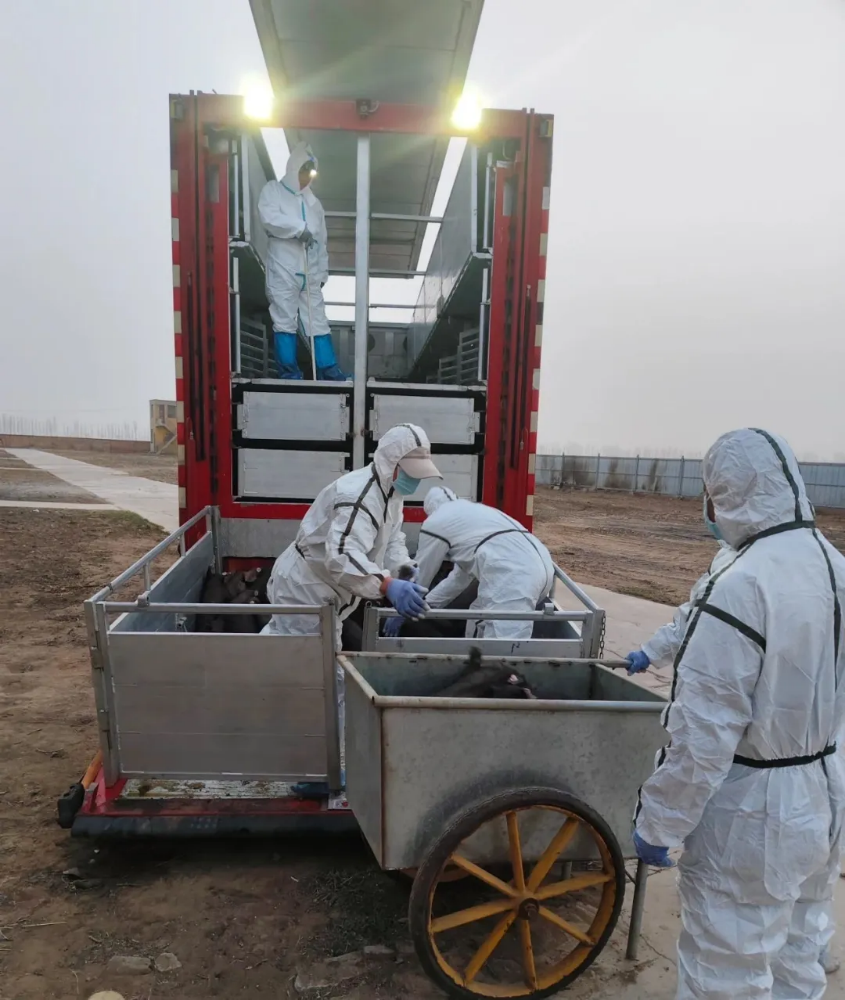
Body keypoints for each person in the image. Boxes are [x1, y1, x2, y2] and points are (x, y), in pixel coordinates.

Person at [633, 428, 845, 1000]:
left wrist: (659, 822)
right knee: (799, 947)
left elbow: (704, 735)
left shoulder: (742, 583)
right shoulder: (834, 565)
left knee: (727, 965)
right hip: (824, 793)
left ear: (728, 492)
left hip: (755, 813)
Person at [262, 424, 441, 649]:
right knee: (311, 663)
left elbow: (391, 539)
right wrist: (386, 585)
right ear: (391, 463)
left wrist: (403, 569)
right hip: (306, 588)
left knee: (284, 651)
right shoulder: (358, 497)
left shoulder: (391, 494)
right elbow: (342, 556)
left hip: (323, 587)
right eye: (411, 472)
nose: (415, 480)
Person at [410, 486, 555, 640]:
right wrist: (430, 603)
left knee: (504, 647)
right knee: (477, 616)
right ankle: (472, 653)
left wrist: (404, 609)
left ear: (429, 509)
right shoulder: (475, 513)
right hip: (542, 567)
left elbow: (421, 573)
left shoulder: (436, 521)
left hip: (514, 578)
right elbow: (458, 579)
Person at [257, 141, 347, 381]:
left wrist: (323, 272)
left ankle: (329, 371)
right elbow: (269, 218)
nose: (307, 177)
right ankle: (289, 373)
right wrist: (298, 228)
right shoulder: (274, 191)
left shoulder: (314, 204)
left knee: (318, 322)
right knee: (284, 320)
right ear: (294, 167)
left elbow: (322, 241)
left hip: (310, 272)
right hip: (283, 268)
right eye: (304, 171)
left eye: (311, 173)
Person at [625, 509, 736, 675]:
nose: (710, 513)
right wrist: (650, 652)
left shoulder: (742, 565)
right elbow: (694, 618)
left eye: (717, 501)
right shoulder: (729, 556)